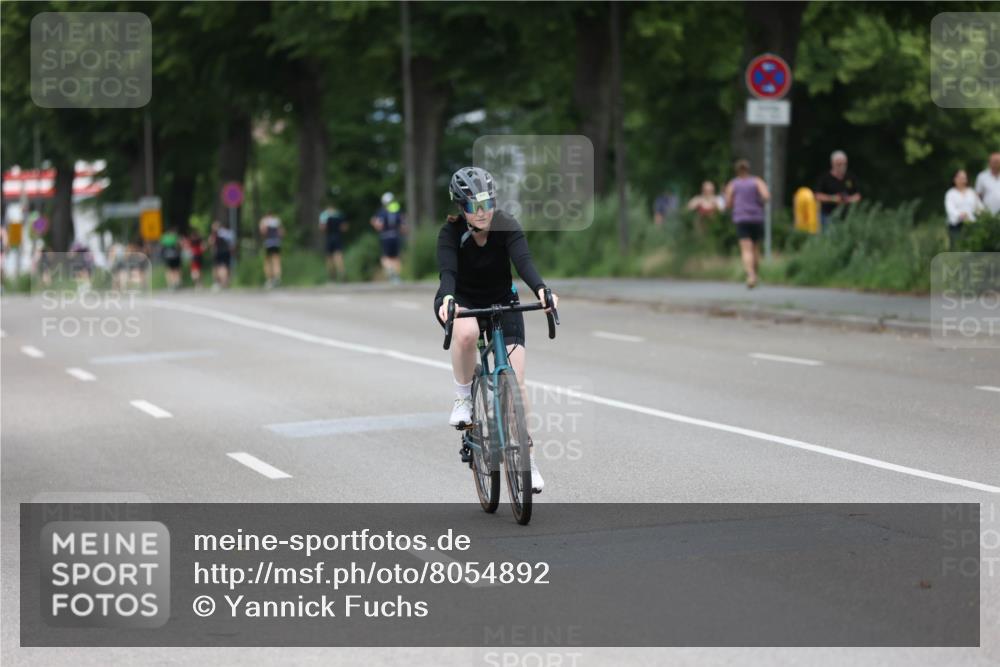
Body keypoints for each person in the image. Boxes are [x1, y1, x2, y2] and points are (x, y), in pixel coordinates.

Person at [433, 167, 558, 493]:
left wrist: (542, 290)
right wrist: (448, 299)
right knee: (467, 334)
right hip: (461, 301)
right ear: (461, 208)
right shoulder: (449, 234)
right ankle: (463, 399)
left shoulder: (506, 225)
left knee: (516, 383)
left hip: (503, 301)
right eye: (475, 205)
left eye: (488, 202)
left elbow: (525, 263)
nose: (483, 211)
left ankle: (527, 460)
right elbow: (447, 274)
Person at [724, 159, 770, 289]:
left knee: (746, 249)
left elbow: (727, 203)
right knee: (755, 248)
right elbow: (766, 196)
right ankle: (755, 274)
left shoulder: (733, 184)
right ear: (748, 169)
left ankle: (750, 276)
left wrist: (734, 204)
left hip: (742, 218)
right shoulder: (757, 181)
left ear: (737, 170)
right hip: (757, 218)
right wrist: (758, 202)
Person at [815, 150, 861, 232]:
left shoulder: (850, 177)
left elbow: (857, 195)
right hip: (827, 216)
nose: (842, 166)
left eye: (844, 164)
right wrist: (833, 198)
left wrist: (848, 199)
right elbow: (817, 196)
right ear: (833, 163)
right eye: (839, 164)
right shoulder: (825, 178)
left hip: (846, 217)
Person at [371, 192, 406, 283]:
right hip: (395, 235)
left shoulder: (381, 212)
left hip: (385, 236)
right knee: (396, 257)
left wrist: (374, 223)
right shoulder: (397, 210)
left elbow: (379, 225)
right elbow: (403, 225)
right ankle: (397, 276)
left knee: (385, 257)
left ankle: (390, 270)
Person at [945, 169, 985, 249]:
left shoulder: (971, 192)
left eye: (963, 178)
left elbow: (979, 207)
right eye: (959, 178)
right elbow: (950, 209)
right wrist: (960, 215)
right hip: (956, 225)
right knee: (957, 248)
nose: (961, 180)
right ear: (954, 179)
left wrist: (983, 215)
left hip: (972, 225)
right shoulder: (950, 193)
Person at [319, 202, 348, 282]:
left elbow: (322, 228)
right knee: (339, 256)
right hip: (338, 237)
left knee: (329, 258)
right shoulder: (339, 215)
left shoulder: (325, 216)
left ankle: (332, 276)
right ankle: (342, 273)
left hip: (330, 237)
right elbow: (344, 228)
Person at [259, 210, 283, 288]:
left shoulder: (264, 220)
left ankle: (269, 279)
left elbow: (263, 231)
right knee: (276, 260)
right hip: (276, 242)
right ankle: (277, 278)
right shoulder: (277, 220)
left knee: (267, 261)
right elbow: (281, 232)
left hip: (268, 242)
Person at [210, 220, 233, 289]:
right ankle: (225, 282)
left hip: (219, 252)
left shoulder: (216, 233)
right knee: (226, 267)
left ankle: (218, 282)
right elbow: (232, 245)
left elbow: (211, 242)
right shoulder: (230, 233)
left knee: (218, 267)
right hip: (227, 252)